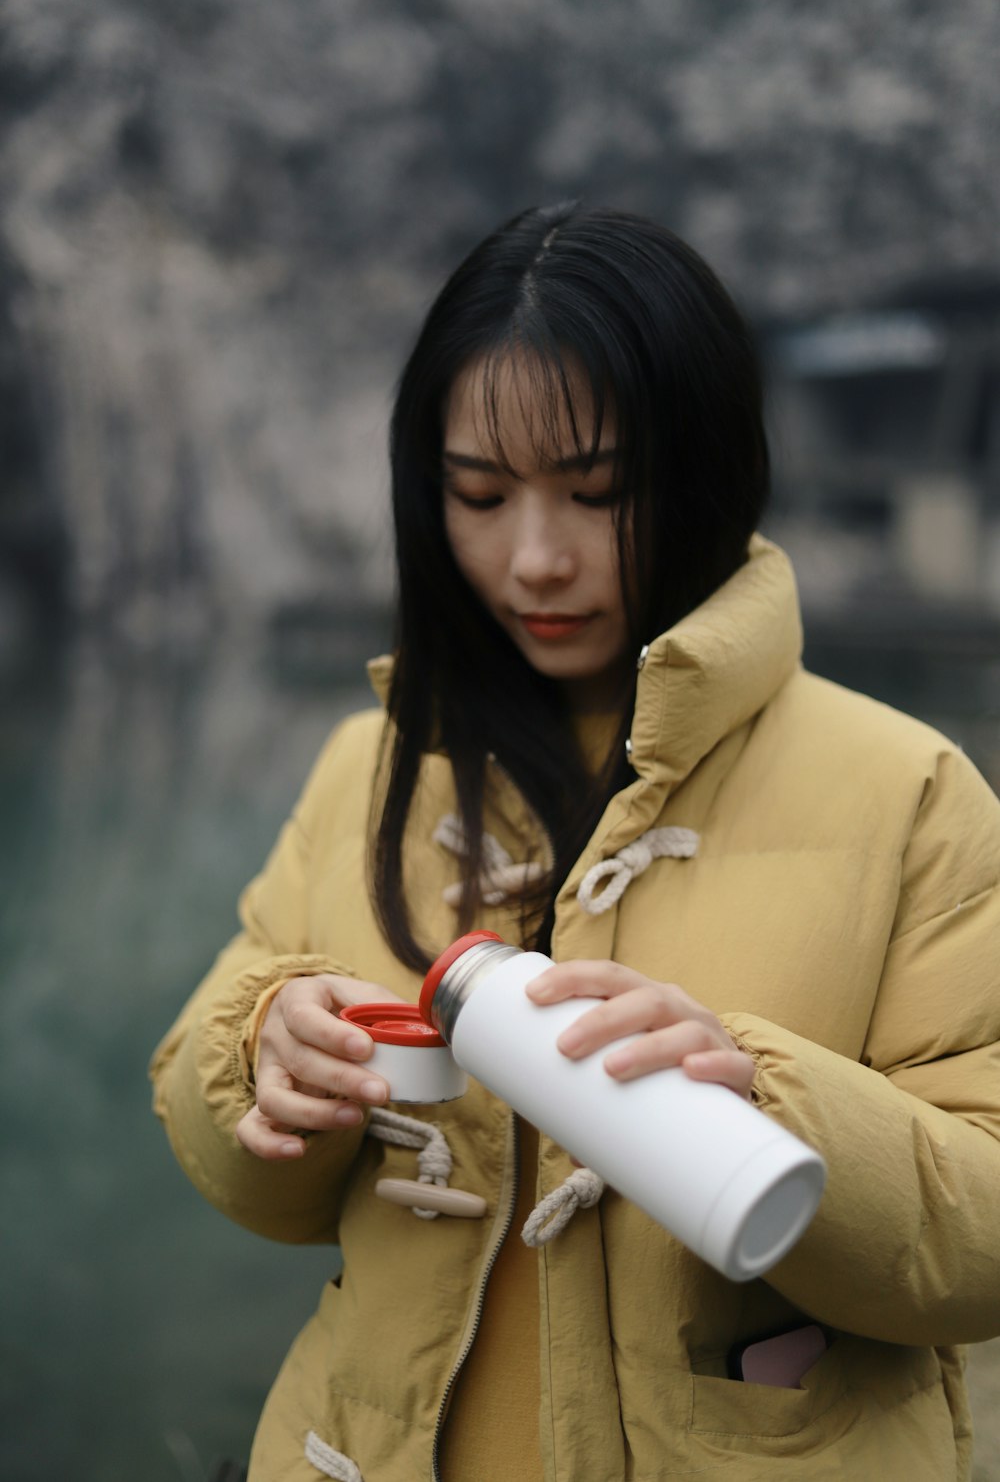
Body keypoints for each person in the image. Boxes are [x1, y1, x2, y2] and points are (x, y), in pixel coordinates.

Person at [150, 203, 1000, 1482]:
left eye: (597, 493)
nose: (533, 560)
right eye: (477, 495)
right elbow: (226, 1148)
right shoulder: (368, 769)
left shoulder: (908, 789)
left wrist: (764, 1099)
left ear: (704, 465)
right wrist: (266, 1070)